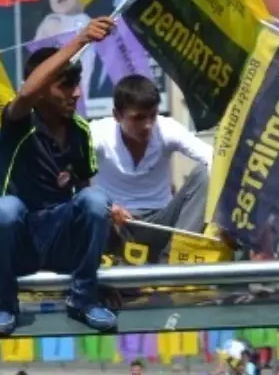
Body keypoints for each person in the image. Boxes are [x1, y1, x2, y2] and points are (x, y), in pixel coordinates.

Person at [0, 19, 117, 337]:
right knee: (6, 210)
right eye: (65, 86)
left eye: (76, 85)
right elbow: (28, 91)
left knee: (98, 200)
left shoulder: (80, 131)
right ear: (43, 90)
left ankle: (84, 299)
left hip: (60, 242)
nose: (75, 94)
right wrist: (80, 40)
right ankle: (6, 304)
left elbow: (87, 198)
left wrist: (108, 216)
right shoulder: (18, 120)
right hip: (21, 242)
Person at [90, 74, 212, 261]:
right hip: (115, 225)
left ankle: (175, 258)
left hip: (161, 223)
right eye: (138, 118)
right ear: (117, 116)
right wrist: (106, 205)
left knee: (206, 174)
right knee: (90, 206)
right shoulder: (98, 134)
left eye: (153, 115)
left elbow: (213, 159)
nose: (148, 125)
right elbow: (66, 171)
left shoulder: (167, 129)